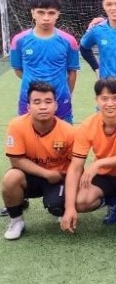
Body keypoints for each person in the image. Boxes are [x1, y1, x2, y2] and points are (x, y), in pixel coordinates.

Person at [61, 78, 116, 238]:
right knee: (81, 202)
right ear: (97, 100)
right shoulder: (87, 125)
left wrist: (100, 162)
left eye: (115, 98)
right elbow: (75, 167)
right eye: (104, 98)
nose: (110, 103)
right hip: (106, 175)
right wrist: (69, 208)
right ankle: (113, 201)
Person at [2, 82, 74, 240]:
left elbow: (75, 166)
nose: (43, 106)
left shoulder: (68, 131)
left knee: (57, 206)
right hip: (32, 176)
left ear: (55, 106)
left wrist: (60, 177)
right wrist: (46, 173)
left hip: (58, 178)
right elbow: (16, 160)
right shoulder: (17, 125)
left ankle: (58, 208)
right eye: (37, 102)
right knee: (10, 178)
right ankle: (17, 221)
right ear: (28, 107)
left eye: (48, 102)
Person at [10, 0, 79, 124]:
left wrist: (65, 93)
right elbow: (18, 70)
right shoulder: (19, 41)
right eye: (41, 12)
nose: (46, 18)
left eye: (51, 13)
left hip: (60, 99)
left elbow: (72, 72)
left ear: (58, 14)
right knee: (29, 140)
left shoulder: (69, 41)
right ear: (33, 13)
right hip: (28, 99)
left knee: (64, 141)